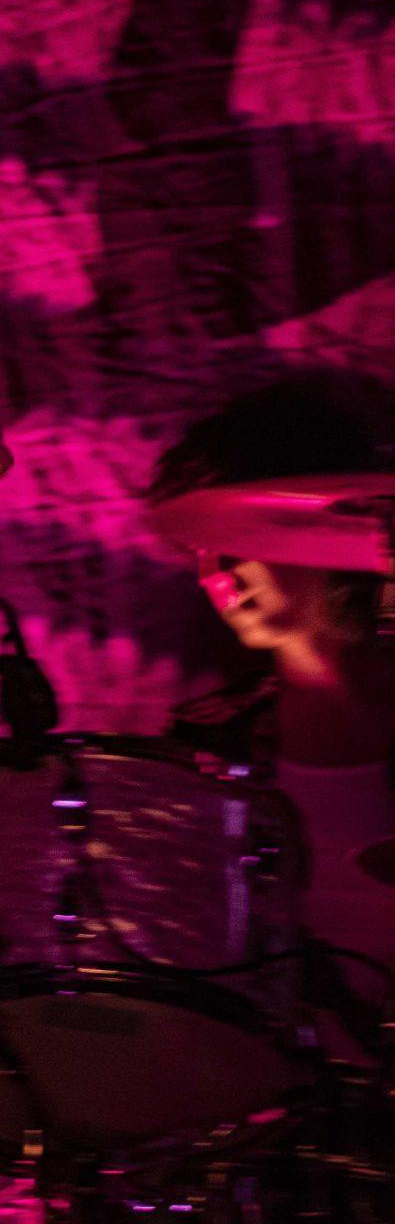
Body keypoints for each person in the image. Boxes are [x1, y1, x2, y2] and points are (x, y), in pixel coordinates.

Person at [151, 374, 395, 1044]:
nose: (213, 576)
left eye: (238, 533)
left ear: (345, 516)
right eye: (196, 547)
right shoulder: (201, 747)